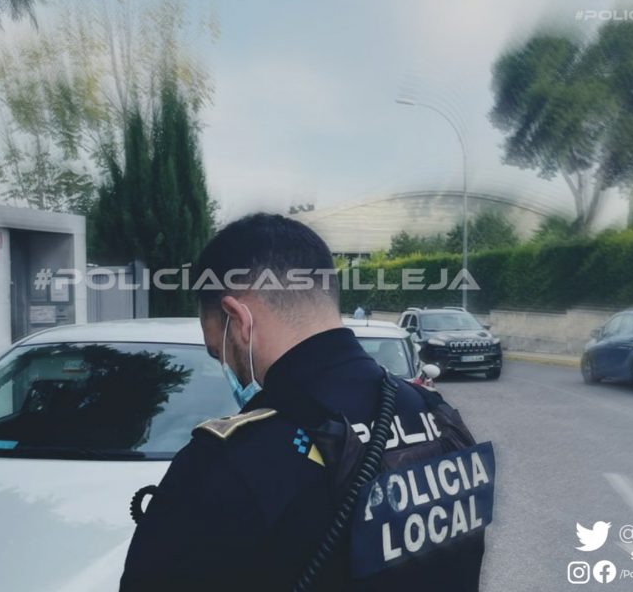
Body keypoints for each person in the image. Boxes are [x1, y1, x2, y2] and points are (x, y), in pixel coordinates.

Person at [120, 213, 489, 591]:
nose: (226, 366)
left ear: (239, 320)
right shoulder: (437, 417)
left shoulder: (226, 464)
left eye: (219, 352)